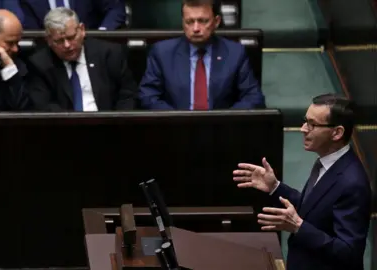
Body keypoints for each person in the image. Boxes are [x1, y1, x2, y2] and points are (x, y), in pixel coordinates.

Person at [233, 94, 371, 270]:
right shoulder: (326, 163)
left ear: (337, 133)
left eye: (312, 124)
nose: (303, 129)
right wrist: (275, 187)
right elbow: (313, 208)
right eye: (305, 121)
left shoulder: (353, 182)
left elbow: (349, 252)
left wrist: (299, 227)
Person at [139, 0, 264, 110]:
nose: (196, 28)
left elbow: (253, 97)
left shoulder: (235, 53)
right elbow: (147, 96)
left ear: (216, 21)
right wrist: (176, 120)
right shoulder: (162, 53)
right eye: (189, 22)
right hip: (175, 131)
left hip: (221, 131)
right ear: (182, 22)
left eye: (203, 21)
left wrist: (224, 120)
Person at [26, 7, 137, 112]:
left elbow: (127, 95)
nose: (67, 45)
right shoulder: (40, 64)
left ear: (82, 30)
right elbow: (43, 106)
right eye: (59, 41)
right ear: (49, 40)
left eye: (71, 37)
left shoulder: (109, 53)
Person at [20, 0, 126, 30]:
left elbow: (115, 9)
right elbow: (32, 31)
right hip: (50, 55)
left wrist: (101, 34)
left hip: (91, 47)